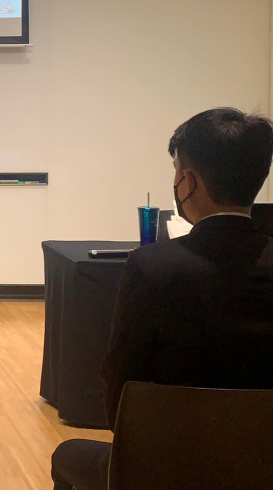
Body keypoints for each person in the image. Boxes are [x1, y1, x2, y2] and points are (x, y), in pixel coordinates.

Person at [51, 108, 273, 490]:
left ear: (189, 182)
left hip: (163, 465)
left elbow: (121, 380)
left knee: (66, 455)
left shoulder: (152, 266)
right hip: (264, 463)